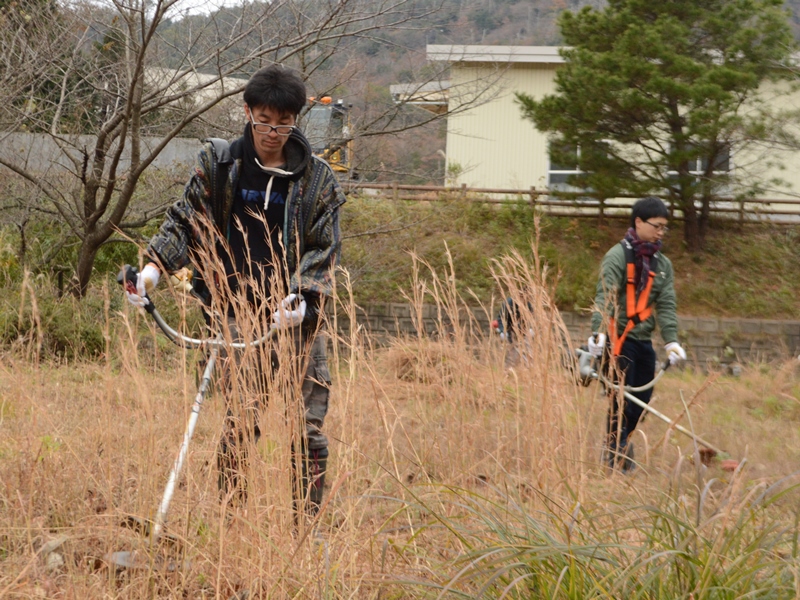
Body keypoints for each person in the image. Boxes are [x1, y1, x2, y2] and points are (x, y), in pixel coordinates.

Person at [124, 64, 345, 517]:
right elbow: (185, 219)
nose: (272, 132)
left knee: (309, 428)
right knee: (240, 421)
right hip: (236, 313)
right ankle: (230, 519)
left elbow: (326, 246)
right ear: (247, 113)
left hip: (296, 318)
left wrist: (303, 296)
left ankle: (308, 524)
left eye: (283, 123)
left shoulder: (318, 180)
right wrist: (151, 272)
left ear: (295, 120)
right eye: (264, 121)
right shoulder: (221, 163)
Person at [587, 196, 686, 472]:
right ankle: (615, 452)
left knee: (641, 401)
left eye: (665, 227)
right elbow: (604, 296)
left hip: (643, 341)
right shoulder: (617, 256)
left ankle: (623, 441)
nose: (660, 232)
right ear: (638, 222)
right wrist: (599, 333)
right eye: (657, 225)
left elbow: (666, 304)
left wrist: (671, 341)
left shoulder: (662, 265)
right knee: (620, 399)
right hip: (618, 341)